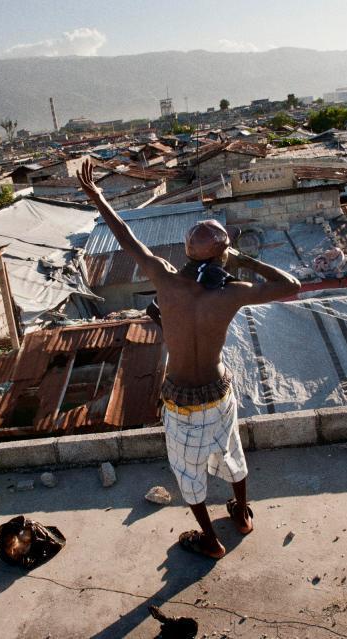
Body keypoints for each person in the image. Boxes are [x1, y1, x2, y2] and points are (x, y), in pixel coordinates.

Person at [77, 160, 301, 558]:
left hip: (181, 402)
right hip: (218, 393)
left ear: (186, 252)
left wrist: (97, 197)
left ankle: (211, 543)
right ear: (222, 256)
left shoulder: (164, 277)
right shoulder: (234, 291)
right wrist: (242, 260)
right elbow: (291, 286)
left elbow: (125, 236)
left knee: (188, 473)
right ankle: (243, 516)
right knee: (233, 454)